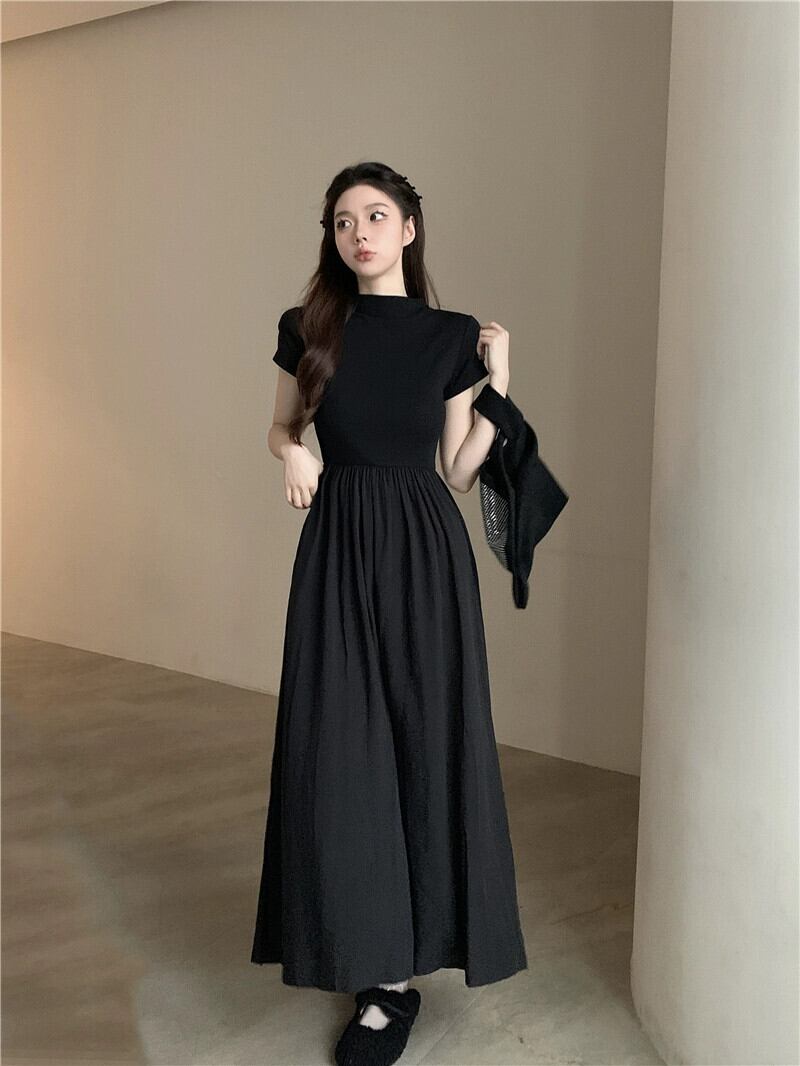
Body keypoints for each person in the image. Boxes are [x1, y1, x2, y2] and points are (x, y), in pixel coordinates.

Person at [251, 161, 528, 1066]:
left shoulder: (449, 336)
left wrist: (497, 384)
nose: (359, 232)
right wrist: (293, 450)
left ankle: (399, 977)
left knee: (424, 743)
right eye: (342, 220)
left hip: (423, 552)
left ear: (409, 228)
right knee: (339, 751)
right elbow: (281, 426)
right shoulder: (309, 328)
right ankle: (372, 966)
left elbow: (457, 469)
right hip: (337, 546)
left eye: (375, 216)